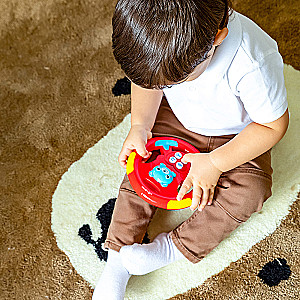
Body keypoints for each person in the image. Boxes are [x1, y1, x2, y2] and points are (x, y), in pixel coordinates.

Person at [92, 0, 289, 299]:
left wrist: (215, 163)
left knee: (252, 189)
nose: (164, 86)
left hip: (235, 136)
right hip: (178, 120)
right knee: (141, 166)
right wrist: (141, 126)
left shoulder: (252, 61)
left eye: (173, 82)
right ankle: (118, 259)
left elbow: (272, 126)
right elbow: (147, 82)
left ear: (216, 42)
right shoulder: (159, 50)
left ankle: (171, 248)